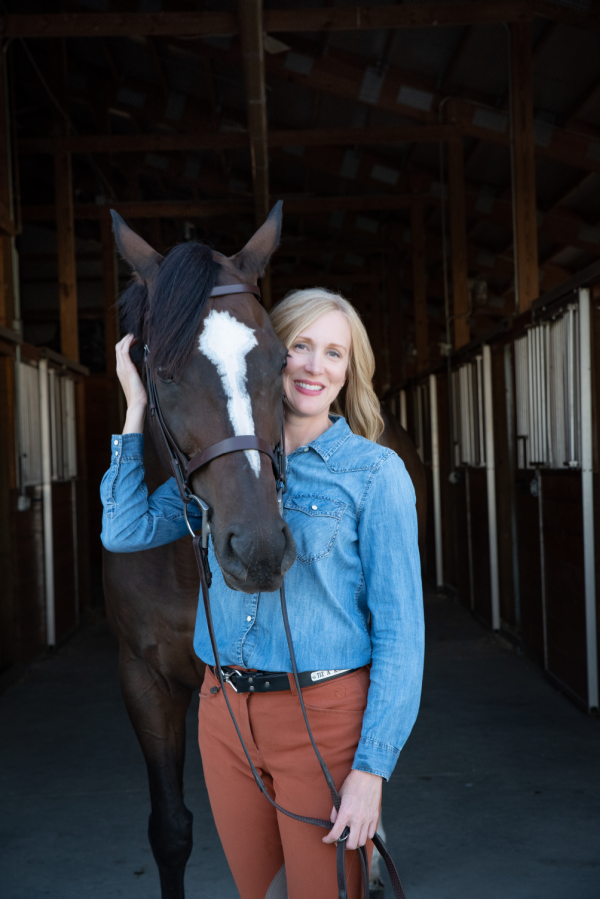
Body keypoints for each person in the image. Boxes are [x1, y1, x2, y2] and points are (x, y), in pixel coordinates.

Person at [101, 286, 424, 899]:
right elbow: (123, 533)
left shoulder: (373, 472)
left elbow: (401, 634)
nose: (314, 366)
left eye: (334, 353)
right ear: (267, 355)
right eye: (299, 346)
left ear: (351, 369)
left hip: (323, 716)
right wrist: (136, 404)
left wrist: (372, 771)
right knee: (259, 892)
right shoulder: (218, 467)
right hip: (224, 720)